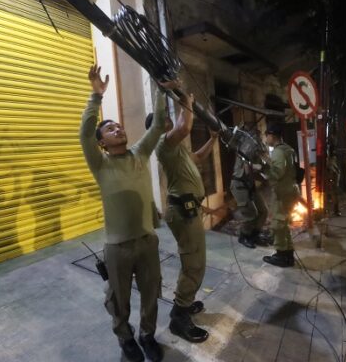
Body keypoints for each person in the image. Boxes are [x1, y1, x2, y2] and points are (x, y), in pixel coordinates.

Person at [80, 65, 168, 362]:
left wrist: (161, 88)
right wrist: (96, 96)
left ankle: (147, 335)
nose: (117, 128)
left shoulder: (140, 154)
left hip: (147, 241)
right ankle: (126, 338)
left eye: (118, 125)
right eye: (109, 128)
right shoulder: (101, 164)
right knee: (118, 300)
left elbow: (157, 126)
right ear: (102, 143)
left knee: (150, 293)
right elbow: (83, 134)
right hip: (117, 247)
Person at [145, 91, 217, 344]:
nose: (169, 124)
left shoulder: (177, 149)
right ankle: (179, 315)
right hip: (182, 212)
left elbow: (198, 157)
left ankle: (185, 303)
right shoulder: (163, 144)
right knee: (194, 263)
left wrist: (213, 139)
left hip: (190, 210)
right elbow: (184, 126)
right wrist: (185, 102)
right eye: (164, 122)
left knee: (196, 260)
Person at [261, 124, 299, 267]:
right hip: (291, 190)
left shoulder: (278, 151)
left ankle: (282, 256)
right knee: (284, 223)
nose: (266, 139)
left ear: (272, 136)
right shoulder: (288, 149)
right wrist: (267, 159)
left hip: (282, 193)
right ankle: (288, 254)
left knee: (278, 223)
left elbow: (277, 173)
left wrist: (263, 169)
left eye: (267, 136)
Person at [230, 129, 269, 249]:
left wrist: (264, 167)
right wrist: (256, 166)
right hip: (239, 185)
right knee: (251, 213)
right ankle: (244, 236)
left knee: (264, 211)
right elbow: (247, 170)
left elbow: (263, 168)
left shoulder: (257, 151)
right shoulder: (244, 151)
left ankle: (254, 235)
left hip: (250, 184)